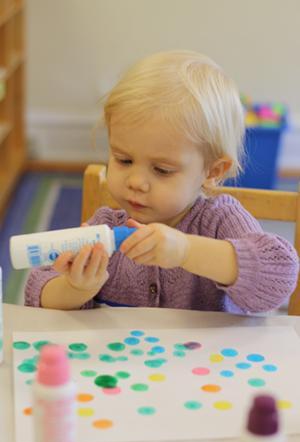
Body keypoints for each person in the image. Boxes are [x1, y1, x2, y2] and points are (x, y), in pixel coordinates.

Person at [25, 50, 299, 313]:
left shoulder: (220, 221)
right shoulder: (105, 227)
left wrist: (186, 250)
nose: (136, 182)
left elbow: (279, 276)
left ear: (213, 171)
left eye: (162, 170)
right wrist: (76, 288)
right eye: (124, 160)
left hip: (210, 360)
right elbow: (38, 291)